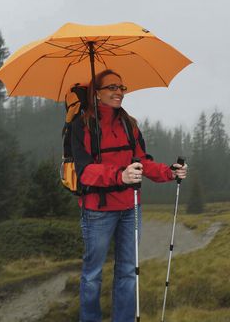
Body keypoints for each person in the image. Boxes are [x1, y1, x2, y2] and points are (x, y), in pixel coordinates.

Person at [71, 69, 187, 322]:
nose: (119, 92)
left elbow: (143, 161)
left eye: (122, 87)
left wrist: (169, 172)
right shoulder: (81, 126)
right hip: (96, 210)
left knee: (127, 271)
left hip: (130, 207)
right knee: (92, 274)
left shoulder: (129, 124)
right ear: (97, 93)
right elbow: (84, 172)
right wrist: (120, 176)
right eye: (112, 87)